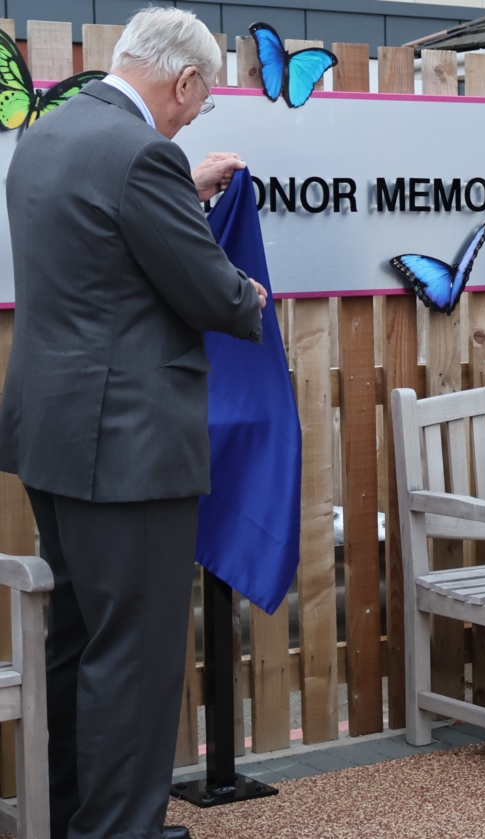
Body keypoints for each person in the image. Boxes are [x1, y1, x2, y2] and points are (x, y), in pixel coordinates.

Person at [0, 8, 266, 839]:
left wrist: (178, 195)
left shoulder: (46, 137)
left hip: (56, 438)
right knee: (137, 656)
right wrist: (248, 296)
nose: (194, 116)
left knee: (79, 642)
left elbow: (97, 240)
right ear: (183, 80)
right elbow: (209, 291)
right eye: (201, 101)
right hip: (131, 448)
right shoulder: (147, 154)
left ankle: (82, 817)